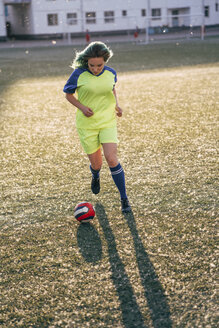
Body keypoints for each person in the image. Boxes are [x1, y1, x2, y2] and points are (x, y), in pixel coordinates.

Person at [63, 41, 131, 213]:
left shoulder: (111, 73)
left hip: (107, 122)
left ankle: (124, 199)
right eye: (91, 65)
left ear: (105, 61)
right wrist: (82, 107)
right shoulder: (78, 74)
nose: (95, 69)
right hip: (87, 126)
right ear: (87, 62)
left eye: (99, 65)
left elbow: (112, 89)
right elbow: (68, 94)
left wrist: (117, 105)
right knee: (97, 163)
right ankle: (95, 175)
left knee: (111, 158)